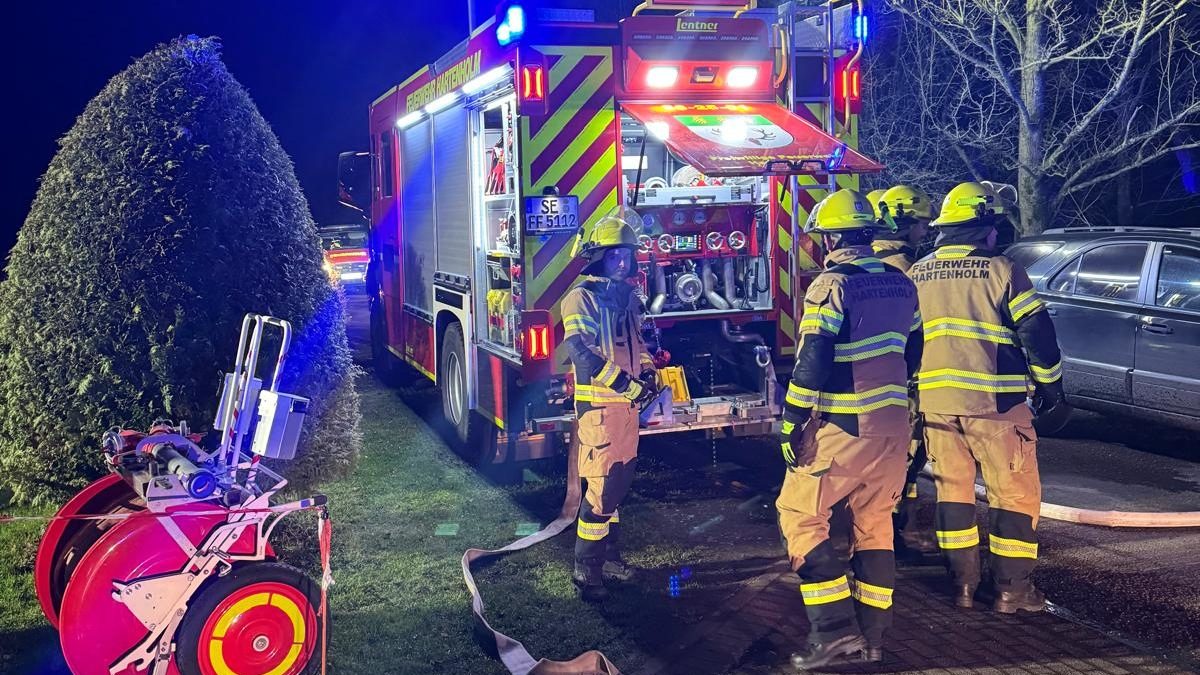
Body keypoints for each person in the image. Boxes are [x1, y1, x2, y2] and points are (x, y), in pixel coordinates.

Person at [777, 189, 923, 668]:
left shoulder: (831, 285)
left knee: (800, 515)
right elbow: (914, 350)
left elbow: (813, 359)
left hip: (844, 424)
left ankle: (834, 633)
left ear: (832, 238)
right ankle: (873, 639)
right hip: (893, 426)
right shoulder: (902, 283)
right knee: (875, 525)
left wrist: (792, 421)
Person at [907, 182, 1066, 613]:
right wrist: (1052, 391)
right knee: (1013, 495)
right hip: (996, 405)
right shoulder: (1003, 270)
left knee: (952, 494)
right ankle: (1012, 590)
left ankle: (962, 586)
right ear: (984, 227)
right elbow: (1037, 333)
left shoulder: (917, 273)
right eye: (995, 225)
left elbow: (908, 341)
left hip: (936, 404)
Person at [561, 207, 658, 602]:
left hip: (626, 410)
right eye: (615, 255)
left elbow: (639, 344)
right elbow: (582, 352)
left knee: (615, 487)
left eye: (627, 255)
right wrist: (627, 386)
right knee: (601, 491)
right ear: (599, 257)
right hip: (600, 410)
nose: (623, 262)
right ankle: (587, 572)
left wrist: (648, 371)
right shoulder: (579, 299)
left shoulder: (627, 299)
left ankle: (610, 560)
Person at [873, 185, 936, 554]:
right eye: (921, 223)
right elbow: (921, 329)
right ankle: (890, 539)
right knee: (902, 459)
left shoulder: (867, 264)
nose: (925, 231)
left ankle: (890, 535)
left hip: (874, 381)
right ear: (902, 224)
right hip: (904, 382)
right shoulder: (905, 270)